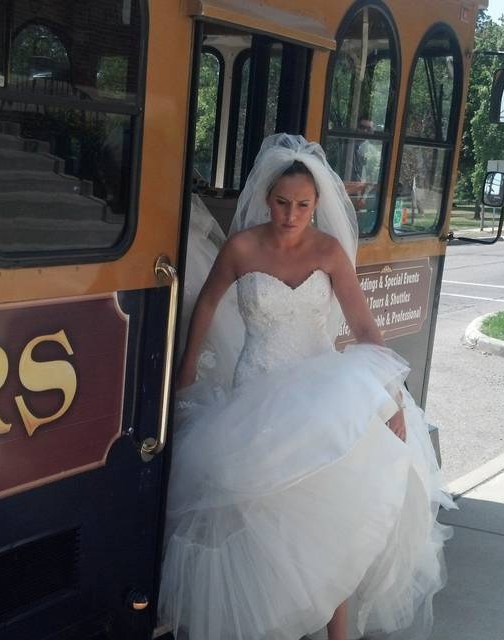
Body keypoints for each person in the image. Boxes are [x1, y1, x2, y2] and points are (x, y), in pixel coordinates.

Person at [160, 134, 453, 640]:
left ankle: (336, 633)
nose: (290, 214)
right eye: (281, 203)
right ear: (265, 199)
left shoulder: (329, 251)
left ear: (316, 205)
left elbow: (363, 329)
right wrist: (186, 372)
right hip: (256, 391)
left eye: (302, 205)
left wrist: (391, 395)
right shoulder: (241, 246)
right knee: (260, 519)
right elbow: (205, 305)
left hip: (321, 396)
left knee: (328, 518)